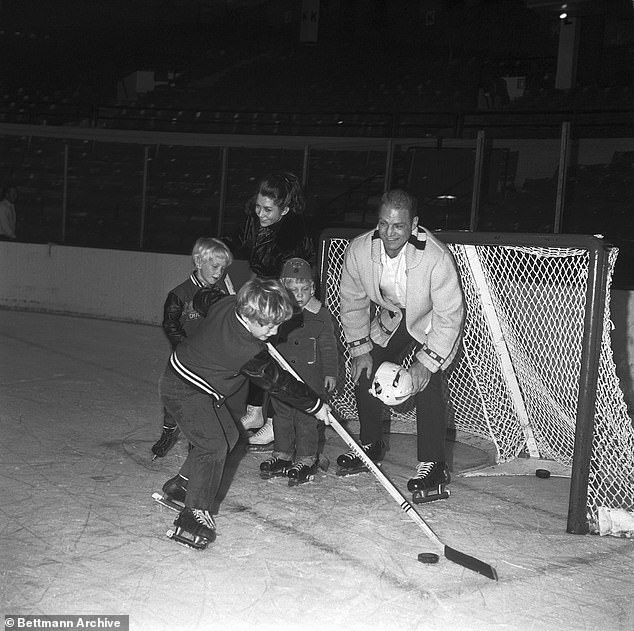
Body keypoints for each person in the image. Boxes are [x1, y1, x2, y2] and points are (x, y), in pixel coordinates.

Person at [157, 278, 331, 549]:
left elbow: (205, 298)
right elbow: (278, 382)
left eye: (277, 325)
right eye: (269, 326)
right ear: (249, 316)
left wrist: (208, 299)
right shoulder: (245, 348)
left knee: (229, 434)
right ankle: (191, 516)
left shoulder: (228, 302)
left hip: (195, 383)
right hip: (185, 389)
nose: (274, 332)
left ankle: (182, 484)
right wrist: (315, 405)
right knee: (212, 444)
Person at [337, 189, 464, 502]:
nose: (389, 233)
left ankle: (434, 463)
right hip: (394, 318)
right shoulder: (359, 250)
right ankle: (371, 445)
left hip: (431, 321)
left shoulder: (436, 256)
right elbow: (352, 301)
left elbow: (449, 315)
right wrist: (360, 348)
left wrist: (427, 362)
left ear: (414, 224)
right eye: (383, 224)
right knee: (366, 367)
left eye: (398, 226)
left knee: (428, 381)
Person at [235, 171, 316, 449]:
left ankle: (273, 420)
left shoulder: (292, 235)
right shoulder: (261, 224)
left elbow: (291, 281)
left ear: (286, 209)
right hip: (267, 295)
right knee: (256, 351)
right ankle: (255, 410)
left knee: (279, 360)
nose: (260, 213)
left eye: (268, 209)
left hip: (286, 304)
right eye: (258, 206)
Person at [151, 237, 235, 459]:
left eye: (223, 268)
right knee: (175, 400)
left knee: (203, 401)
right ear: (199, 262)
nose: (219, 273)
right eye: (214, 267)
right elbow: (170, 324)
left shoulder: (220, 295)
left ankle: (197, 441)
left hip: (209, 362)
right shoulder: (179, 294)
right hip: (184, 359)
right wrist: (185, 347)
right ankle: (169, 431)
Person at [259, 257, 338, 485]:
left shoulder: (321, 314)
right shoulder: (278, 312)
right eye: (292, 291)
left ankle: (306, 457)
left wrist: (330, 373)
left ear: (313, 288)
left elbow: (328, 347)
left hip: (310, 380)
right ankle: (282, 454)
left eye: (304, 289)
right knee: (281, 417)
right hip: (281, 379)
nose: (299, 295)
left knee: (306, 420)